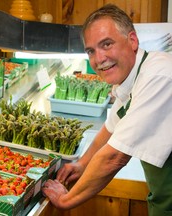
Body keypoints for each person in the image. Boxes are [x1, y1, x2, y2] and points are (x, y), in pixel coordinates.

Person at [42, 4, 172, 216]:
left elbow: (115, 157)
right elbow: (111, 128)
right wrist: (82, 164)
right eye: (91, 51)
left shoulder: (159, 75)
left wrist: (66, 200)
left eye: (107, 44)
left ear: (132, 40)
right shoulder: (131, 78)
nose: (99, 59)